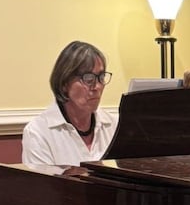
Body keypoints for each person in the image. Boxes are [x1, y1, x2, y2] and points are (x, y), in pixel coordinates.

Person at [21, 40, 119, 169]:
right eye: (88, 79)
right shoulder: (38, 132)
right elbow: (41, 181)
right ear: (64, 83)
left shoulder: (114, 126)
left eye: (101, 77)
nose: (97, 87)